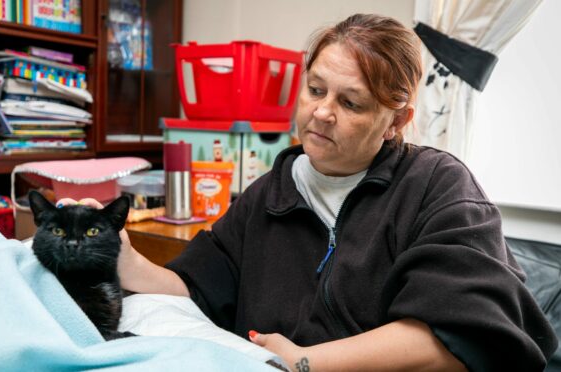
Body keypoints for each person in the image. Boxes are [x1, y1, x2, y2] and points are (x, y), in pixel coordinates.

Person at [61, 14, 557, 371]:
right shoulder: (269, 192)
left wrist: (303, 361)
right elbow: (197, 289)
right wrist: (121, 256)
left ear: (396, 121)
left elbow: (457, 339)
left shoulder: (437, 187)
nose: (321, 112)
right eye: (316, 90)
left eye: (351, 102)